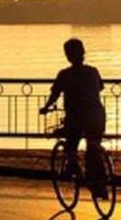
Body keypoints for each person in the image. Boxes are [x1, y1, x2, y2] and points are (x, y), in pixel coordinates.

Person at [39, 38, 107, 198]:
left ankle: (73, 164)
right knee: (94, 144)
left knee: (71, 142)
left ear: (68, 56)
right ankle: (98, 181)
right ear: (83, 53)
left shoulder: (64, 75)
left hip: (76, 117)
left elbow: (54, 95)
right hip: (97, 115)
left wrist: (46, 108)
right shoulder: (93, 71)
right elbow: (100, 89)